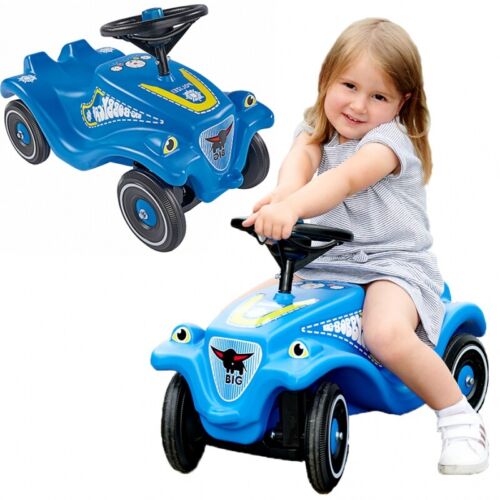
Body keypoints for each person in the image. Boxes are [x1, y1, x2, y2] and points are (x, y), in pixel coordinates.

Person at [243, 18, 488, 474]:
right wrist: (284, 194)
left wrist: (293, 207)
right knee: (252, 313)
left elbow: (345, 179)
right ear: (326, 78)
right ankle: (251, 400)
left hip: (391, 265)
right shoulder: (317, 125)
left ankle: (459, 419)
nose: (358, 105)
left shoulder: (388, 142)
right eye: (349, 86)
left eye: (378, 96)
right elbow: (303, 157)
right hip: (325, 262)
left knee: (385, 333)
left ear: (402, 102)